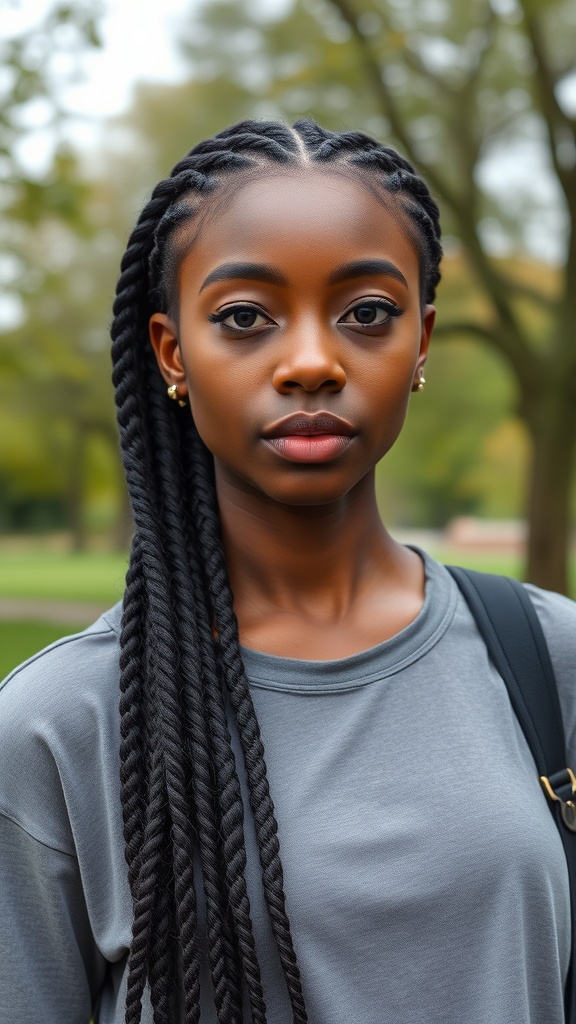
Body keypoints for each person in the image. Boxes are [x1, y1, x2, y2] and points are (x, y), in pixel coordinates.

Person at [0, 118, 575, 1024]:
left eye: (367, 314)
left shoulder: (551, 660)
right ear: (171, 353)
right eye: (244, 319)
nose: (311, 361)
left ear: (421, 341)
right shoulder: (58, 728)